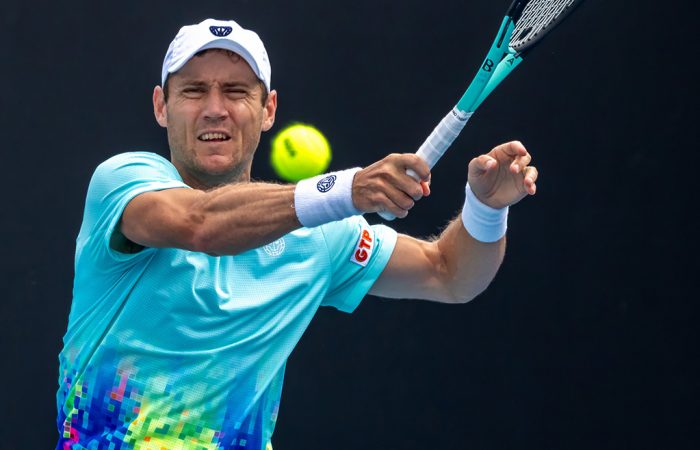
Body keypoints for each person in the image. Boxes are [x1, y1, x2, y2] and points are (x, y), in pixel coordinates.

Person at [56, 18, 538, 450]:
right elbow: (199, 223)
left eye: (237, 92)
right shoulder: (122, 182)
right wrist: (348, 188)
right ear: (162, 106)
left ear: (268, 109)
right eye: (194, 91)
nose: (215, 109)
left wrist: (486, 208)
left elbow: (450, 274)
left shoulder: (322, 237)